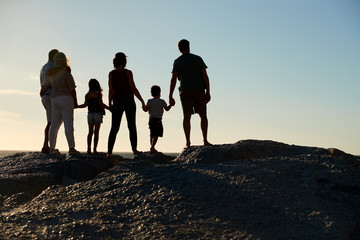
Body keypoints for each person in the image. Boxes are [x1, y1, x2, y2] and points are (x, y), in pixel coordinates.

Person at [169, 39, 212, 148]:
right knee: (203, 115)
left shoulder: (177, 61)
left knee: (187, 116)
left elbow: (173, 79)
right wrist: (208, 91)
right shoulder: (198, 59)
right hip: (199, 90)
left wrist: (170, 95)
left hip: (185, 91)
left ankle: (188, 142)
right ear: (189, 47)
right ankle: (205, 140)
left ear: (179, 49)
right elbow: (205, 76)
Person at [40, 52, 80, 155]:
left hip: (54, 99)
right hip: (66, 98)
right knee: (68, 124)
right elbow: (72, 89)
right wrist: (75, 101)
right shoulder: (66, 73)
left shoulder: (51, 75)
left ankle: (52, 148)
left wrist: (42, 95)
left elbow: (43, 87)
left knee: (54, 125)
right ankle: (71, 148)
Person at [107, 52, 146, 157]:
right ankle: (135, 150)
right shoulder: (128, 72)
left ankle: (109, 152)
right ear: (124, 61)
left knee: (114, 127)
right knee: (132, 126)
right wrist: (142, 100)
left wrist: (109, 103)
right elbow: (133, 88)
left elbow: (111, 90)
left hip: (117, 102)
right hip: (129, 101)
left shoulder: (111, 74)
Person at [77, 79, 110, 154]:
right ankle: (94, 149)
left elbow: (85, 105)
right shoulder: (99, 94)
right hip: (98, 114)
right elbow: (101, 104)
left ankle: (88, 149)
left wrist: (77, 106)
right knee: (96, 133)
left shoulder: (87, 95)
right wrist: (109, 108)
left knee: (90, 132)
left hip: (90, 114)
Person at [40, 49, 59, 153]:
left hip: (45, 96)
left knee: (50, 122)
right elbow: (51, 81)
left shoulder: (43, 67)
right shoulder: (51, 67)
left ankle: (47, 145)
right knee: (51, 123)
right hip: (50, 94)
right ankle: (47, 145)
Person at [143, 85, 172, 153]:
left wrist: (143, 107)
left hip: (151, 119)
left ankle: (152, 147)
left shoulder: (149, 101)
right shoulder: (162, 101)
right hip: (158, 120)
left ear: (151, 93)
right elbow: (167, 109)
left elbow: (146, 109)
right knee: (156, 134)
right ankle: (152, 146)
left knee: (152, 134)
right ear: (159, 93)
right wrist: (171, 105)